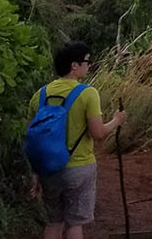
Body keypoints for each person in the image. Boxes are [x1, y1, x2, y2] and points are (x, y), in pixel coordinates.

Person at [30, 41, 128, 239]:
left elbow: (33, 140)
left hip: (48, 168)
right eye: (87, 61)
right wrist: (116, 121)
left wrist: (35, 174)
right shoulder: (87, 93)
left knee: (54, 222)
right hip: (79, 168)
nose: (88, 65)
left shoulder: (39, 95)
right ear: (74, 66)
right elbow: (98, 133)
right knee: (74, 225)